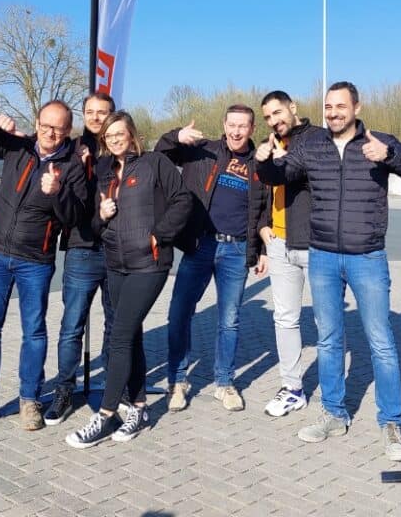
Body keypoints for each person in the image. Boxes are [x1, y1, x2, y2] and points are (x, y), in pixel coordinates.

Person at [256, 82, 401, 461]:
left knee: (381, 342)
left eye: (340, 106)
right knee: (329, 340)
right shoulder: (313, 146)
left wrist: (390, 156)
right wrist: (263, 161)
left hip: (366, 257)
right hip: (322, 256)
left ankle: (391, 424)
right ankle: (334, 413)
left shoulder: (380, 142)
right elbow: (279, 176)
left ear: (357, 107)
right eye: (328, 107)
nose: (333, 113)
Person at [66, 111, 193, 448]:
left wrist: (159, 235)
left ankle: (106, 415)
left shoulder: (154, 163)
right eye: (109, 136)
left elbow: (182, 200)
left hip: (149, 263)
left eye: (119, 133)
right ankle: (138, 409)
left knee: (119, 336)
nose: (114, 140)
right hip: (115, 263)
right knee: (131, 335)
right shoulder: (105, 171)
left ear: (132, 134)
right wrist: (101, 216)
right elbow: (95, 224)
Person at [0, 102, 86, 434]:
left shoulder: (72, 166)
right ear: (37, 122)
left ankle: (29, 399)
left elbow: (75, 216)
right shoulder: (17, 146)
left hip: (35, 261)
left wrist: (58, 193)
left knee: (34, 331)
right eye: (46, 125)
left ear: (68, 131)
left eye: (58, 128)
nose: (50, 133)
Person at [155, 105, 268, 413]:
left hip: (237, 251)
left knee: (229, 320)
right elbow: (160, 156)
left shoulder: (260, 162)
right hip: (200, 245)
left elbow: (264, 209)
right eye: (232, 125)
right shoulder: (201, 151)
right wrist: (176, 136)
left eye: (243, 126)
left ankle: (225, 383)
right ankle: (178, 380)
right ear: (224, 125)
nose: (236, 131)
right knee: (179, 313)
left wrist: (262, 250)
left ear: (252, 128)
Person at [44, 92, 116, 426]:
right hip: (82, 248)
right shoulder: (72, 149)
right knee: (72, 325)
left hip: (117, 249)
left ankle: (116, 387)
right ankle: (64, 388)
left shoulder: (121, 146)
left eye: (103, 112)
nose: (96, 117)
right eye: (90, 111)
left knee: (116, 324)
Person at [256, 91, 319, 417]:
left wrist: (281, 160)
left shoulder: (316, 139)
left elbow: (307, 178)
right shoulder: (270, 144)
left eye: (277, 113)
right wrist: (262, 227)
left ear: (292, 108)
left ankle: (334, 395)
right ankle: (293, 388)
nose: (273, 120)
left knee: (327, 321)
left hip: (313, 243)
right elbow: (263, 191)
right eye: (267, 117)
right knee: (284, 318)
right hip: (279, 242)